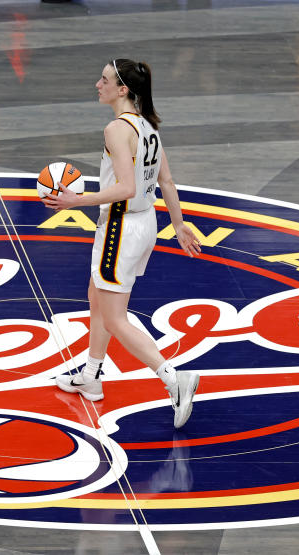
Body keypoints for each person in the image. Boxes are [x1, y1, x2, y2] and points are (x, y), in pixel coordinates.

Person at [44, 58, 203, 428]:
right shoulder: (148, 126)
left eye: (104, 80)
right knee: (96, 297)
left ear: (122, 90)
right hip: (145, 224)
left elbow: (126, 188)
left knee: (115, 318)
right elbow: (166, 182)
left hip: (120, 226)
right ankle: (92, 376)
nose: (97, 84)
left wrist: (74, 200)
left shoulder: (117, 129)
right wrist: (178, 226)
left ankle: (173, 379)